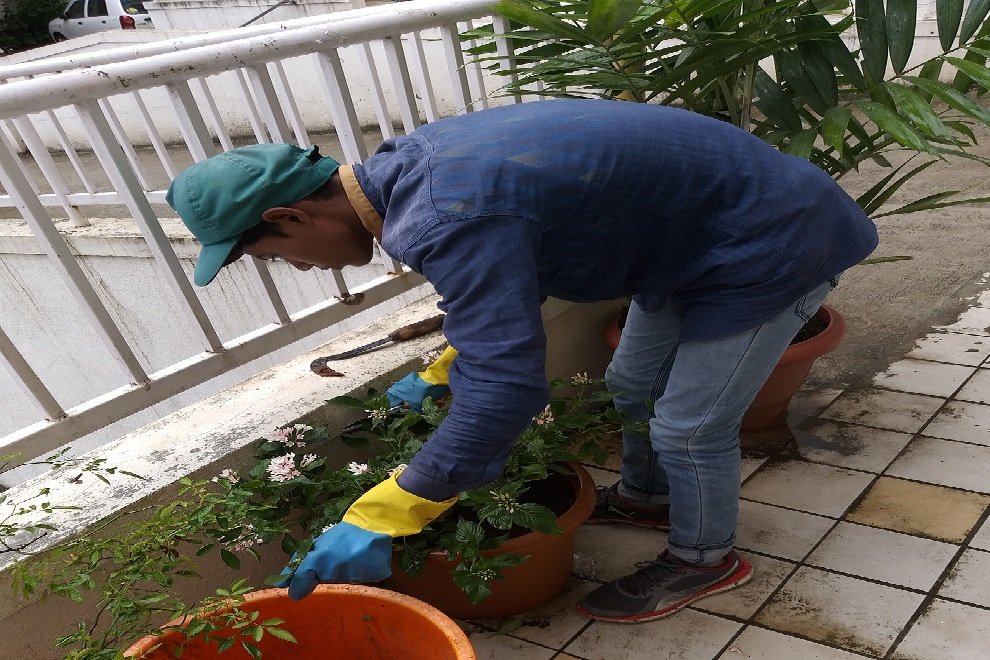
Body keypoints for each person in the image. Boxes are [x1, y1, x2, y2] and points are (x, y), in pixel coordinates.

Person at [166, 99, 878, 623]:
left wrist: (384, 515)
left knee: (690, 426)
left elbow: (507, 387)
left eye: (274, 254)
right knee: (630, 380)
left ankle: (706, 560)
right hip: (691, 241)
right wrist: (448, 368)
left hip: (769, 243)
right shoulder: (410, 168)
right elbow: (512, 273)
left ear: (292, 217)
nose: (297, 267)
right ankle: (650, 499)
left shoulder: (443, 212)